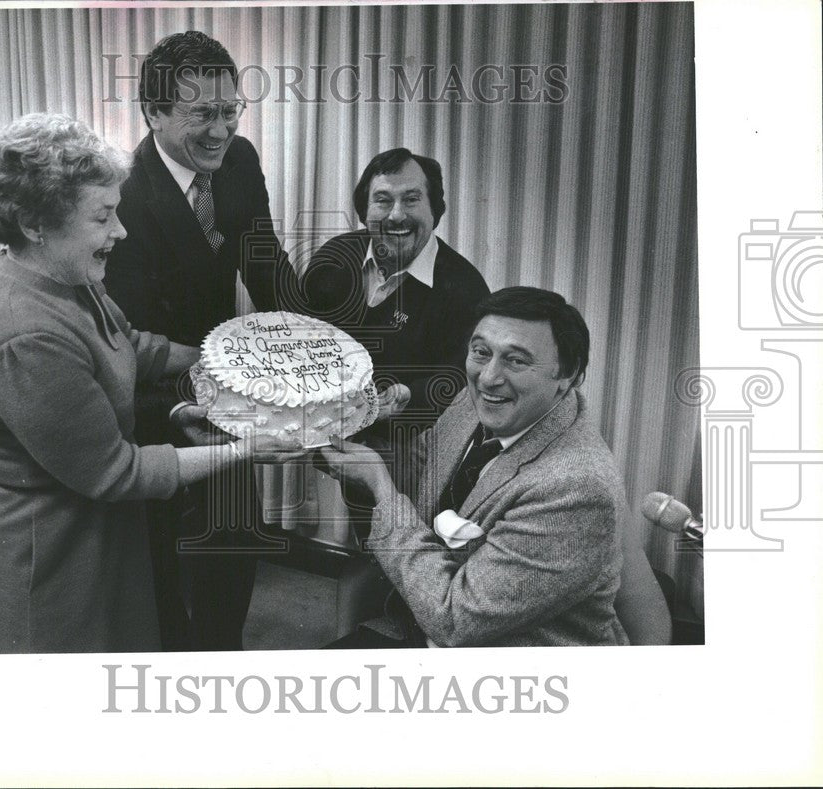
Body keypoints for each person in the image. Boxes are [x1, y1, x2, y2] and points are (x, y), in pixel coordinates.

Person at [0, 113, 298, 654]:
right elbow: (116, 471)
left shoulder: (54, 273)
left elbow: (126, 343)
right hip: (43, 558)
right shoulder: (23, 331)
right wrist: (245, 448)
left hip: (92, 538)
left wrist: (216, 369)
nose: (121, 231)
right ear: (36, 223)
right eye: (104, 217)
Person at [102, 31, 291, 651]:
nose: (221, 130)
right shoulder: (122, 194)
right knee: (153, 550)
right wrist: (189, 390)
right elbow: (129, 336)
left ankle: (221, 655)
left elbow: (264, 266)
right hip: (150, 393)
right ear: (154, 113)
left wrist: (316, 349)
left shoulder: (239, 162)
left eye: (230, 110)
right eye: (202, 114)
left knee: (235, 530)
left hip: (224, 378)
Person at [319, 287, 631, 647]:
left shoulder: (574, 488)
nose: (487, 377)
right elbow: (424, 467)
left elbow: (455, 620)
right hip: (420, 620)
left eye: (516, 360)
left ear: (569, 374)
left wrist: (380, 487)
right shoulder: (476, 400)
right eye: (481, 352)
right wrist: (328, 437)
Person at [300, 148, 489, 417]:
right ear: (364, 212)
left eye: (411, 199)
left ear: (435, 209)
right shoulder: (334, 256)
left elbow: (463, 381)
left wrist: (410, 399)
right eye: (383, 200)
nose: (396, 215)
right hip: (320, 428)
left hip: (407, 442)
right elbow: (298, 337)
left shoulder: (465, 289)